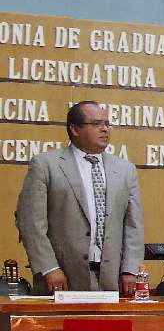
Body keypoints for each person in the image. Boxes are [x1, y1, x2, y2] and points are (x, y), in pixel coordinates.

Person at [16, 100, 144, 295]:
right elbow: (31, 224)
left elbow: (133, 225)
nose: (105, 129)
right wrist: (49, 268)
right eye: (96, 124)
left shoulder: (125, 169)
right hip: (62, 277)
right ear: (74, 129)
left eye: (107, 124)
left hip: (112, 278)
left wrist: (130, 269)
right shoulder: (45, 165)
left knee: (111, 327)